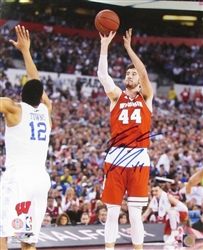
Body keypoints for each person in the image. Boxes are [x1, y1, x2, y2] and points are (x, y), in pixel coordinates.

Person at [97, 28, 153, 250]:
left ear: (139, 81)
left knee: (134, 213)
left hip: (139, 157)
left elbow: (144, 74)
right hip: (116, 156)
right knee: (112, 211)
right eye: (127, 74)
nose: (130, 76)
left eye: (133, 75)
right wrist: (104, 46)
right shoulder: (116, 96)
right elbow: (103, 76)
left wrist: (129, 48)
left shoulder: (146, 96)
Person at [0, 25, 52, 250]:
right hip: (40, 180)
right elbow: (35, 81)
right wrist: (26, 52)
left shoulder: (13, 108)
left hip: (18, 179)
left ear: (21, 94)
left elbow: (34, 84)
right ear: (41, 96)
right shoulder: (47, 109)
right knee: (28, 238)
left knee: (2, 233)